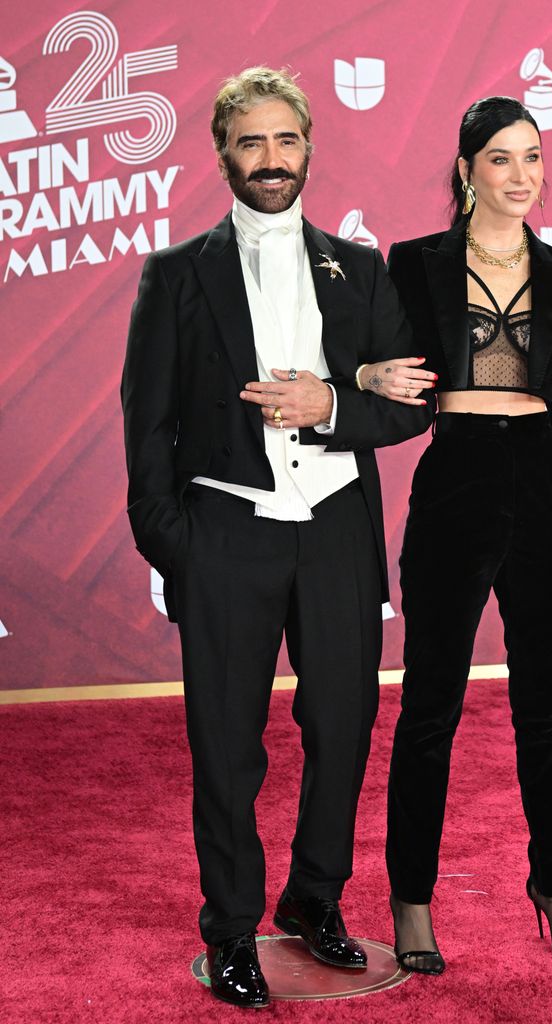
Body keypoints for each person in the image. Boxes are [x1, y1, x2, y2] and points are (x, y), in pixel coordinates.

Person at [121, 66, 431, 1009]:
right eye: (249, 141)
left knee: (340, 731)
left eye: (284, 140)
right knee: (226, 744)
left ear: (308, 149)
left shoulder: (360, 269)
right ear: (222, 152)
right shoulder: (176, 274)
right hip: (225, 532)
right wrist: (182, 550)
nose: (269, 159)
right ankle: (230, 930)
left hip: (335, 531)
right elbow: (146, 427)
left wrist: (331, 401)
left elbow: (409, 404)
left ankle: (312, 902)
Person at [357, 95, 552, 973]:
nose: (520, 176)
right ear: (466, 170)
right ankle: (412, 899)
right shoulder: (415, 264)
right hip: (457, 475)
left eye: (532, 158)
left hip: (543, 480)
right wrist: (359, 370)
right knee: (431, 706)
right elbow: (372, 364)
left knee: (547, 713)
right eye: (500, 158)